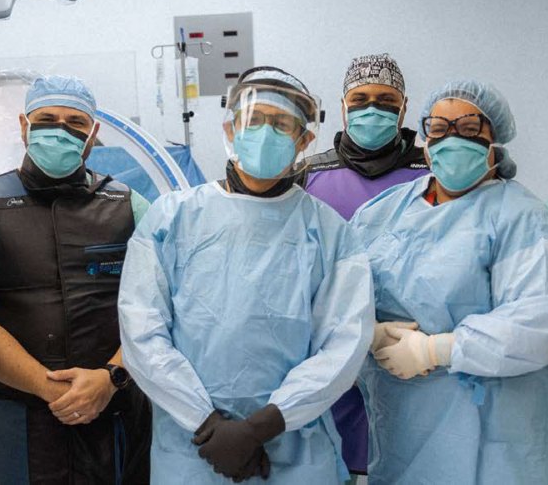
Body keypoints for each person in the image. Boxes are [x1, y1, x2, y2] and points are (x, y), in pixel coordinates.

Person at [117, 67, 374, 484]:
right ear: (230, 128)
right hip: (193, 447)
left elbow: (345, 343)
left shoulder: (330, 233)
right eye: (254, 121)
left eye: (281, 124)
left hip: (294, 445)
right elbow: (142, 331)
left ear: (304, 140)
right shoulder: (172, 217)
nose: (265, 133)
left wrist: (263, 425)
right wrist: (207, 423)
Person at [352, 79, 548, 484]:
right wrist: (365, 333)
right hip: (405, 434)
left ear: (495, 140)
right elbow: (339, 294)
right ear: (424, 138)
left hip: (500, 443)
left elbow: (537, 324)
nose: (452, 138)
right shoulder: (382, 213)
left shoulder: (524, 220)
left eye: (469, 128)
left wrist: (434, 350)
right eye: (439, 128)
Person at [0, 75, 152, 484]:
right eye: (47, 119)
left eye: (75, 123)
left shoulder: (130, 208)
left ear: (93, 134)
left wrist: (111, 378)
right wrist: (48, 387)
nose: (60, 131)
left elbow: (157, 314)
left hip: (113, 409)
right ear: (24, 127)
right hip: (20, 414)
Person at [298, 53, 428, 477]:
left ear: (405, 107)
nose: (372, 109)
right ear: (343, 106)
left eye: (386, 101)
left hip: (413, 350)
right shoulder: (307, 177)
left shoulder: (431, 171)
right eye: (361, 99)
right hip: (327, 349)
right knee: (339, 458)